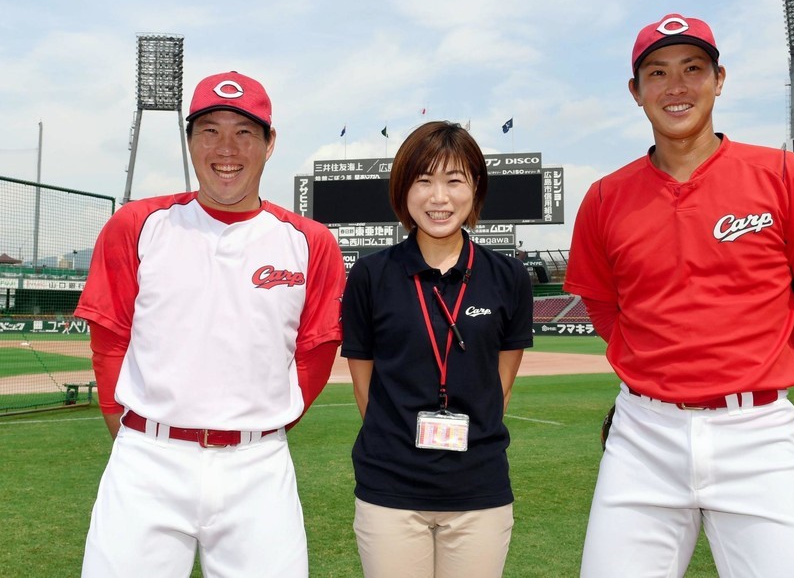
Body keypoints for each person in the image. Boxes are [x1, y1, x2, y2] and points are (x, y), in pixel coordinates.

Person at [564, 13, 794, 577]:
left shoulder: (783, 173)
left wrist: (762, 368)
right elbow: (603, 306)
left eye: (693, 69)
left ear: (719, 79)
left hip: (758, 435)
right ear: (636, 91)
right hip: (643, 437)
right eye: (657, 73)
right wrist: (657, 373)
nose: (676, 87)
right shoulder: (605, 197)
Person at [75, 71, 345, 577]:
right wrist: (133, 435)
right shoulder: (137, 225)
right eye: (210, 130)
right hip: (146, 461)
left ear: (270, 144)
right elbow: (110, 340)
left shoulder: (310, 242)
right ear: (190, 139)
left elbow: (314, 354)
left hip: (258, 467)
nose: (227, 148)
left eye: (244, 132)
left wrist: (261, 429)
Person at [340, 121, 533, 578]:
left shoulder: (508, 277)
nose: (438, 197)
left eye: (454, 180)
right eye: (423, 180)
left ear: (476, 188)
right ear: (403, 191)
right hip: (389, 489)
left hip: (478, 490)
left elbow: (500, 386)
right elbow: (364, 387)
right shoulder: (370, 275)